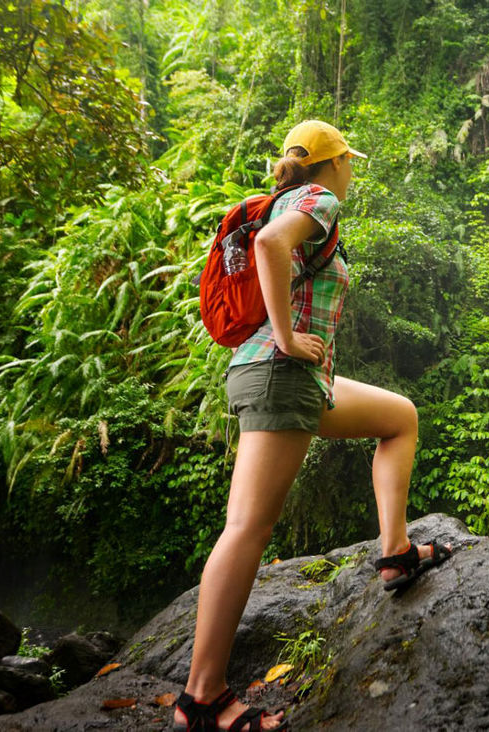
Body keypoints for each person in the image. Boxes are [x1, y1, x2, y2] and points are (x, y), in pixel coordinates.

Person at [172, 120, 453, 732]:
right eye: (348, 160)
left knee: (399, 417)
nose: (351, 170)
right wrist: (288, 338)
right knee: (247, 528)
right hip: (280, 371)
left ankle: (396, 552)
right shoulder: (316, 201)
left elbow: (273, 252)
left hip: (292, 377)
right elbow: (272, 245)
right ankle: (202, 699)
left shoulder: (284, 199)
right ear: (331, 164)